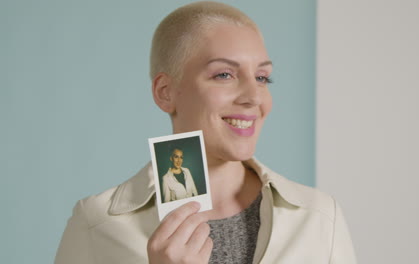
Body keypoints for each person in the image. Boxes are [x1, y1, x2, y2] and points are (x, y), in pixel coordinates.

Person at [55, 1, 357, 263]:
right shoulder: (98, 224)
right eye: (224, 74)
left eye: (263, 77)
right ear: (165, 92)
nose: (254, 96)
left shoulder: (319, 218)